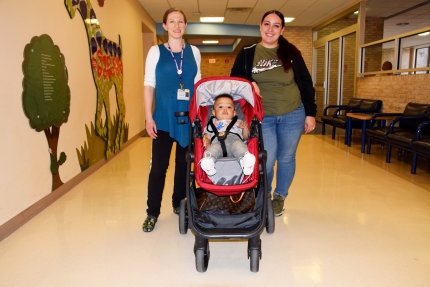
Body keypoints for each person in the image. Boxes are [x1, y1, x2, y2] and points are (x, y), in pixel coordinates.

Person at [230, 10, 316, 216]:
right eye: (266, 24)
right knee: (266, 158)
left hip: (293, 112)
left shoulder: (291, 53)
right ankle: (265, 194)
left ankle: (280, 196)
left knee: (286, 157)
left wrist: (311, 113)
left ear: (282, 30)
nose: (270, 29)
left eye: (276, 25)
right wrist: (250, 83)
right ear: (260, 27)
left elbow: (305, 83)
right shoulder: (248, 52)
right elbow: (234, 81)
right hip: (263, 115)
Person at [143, 8, 201, 232]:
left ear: (185, 26)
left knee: (184, 166)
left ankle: (179, 204)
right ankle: (152, 212)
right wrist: (149, 117)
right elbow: (149, 85)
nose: (177, 25)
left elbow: (197, 86)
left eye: (181, 22)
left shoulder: (194, 52)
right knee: (158, 168)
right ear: (165, 26)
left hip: (187, 119)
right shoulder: (155, 52)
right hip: (163, 119)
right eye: (172, 21)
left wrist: (200, 118)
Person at [200, 94, 256, 176]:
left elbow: (246, 137)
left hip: (234, 142)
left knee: (239, 146)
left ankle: (246, 162)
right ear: (214, 112)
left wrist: (245, 128)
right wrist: (207, 143)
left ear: (234, 113)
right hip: (217, 143)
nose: (225, 110)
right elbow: (207, 136)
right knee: (212, 150)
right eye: (220, 107)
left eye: (229, 107)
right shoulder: (211, 124)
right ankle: (209, 164)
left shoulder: (239, 122)